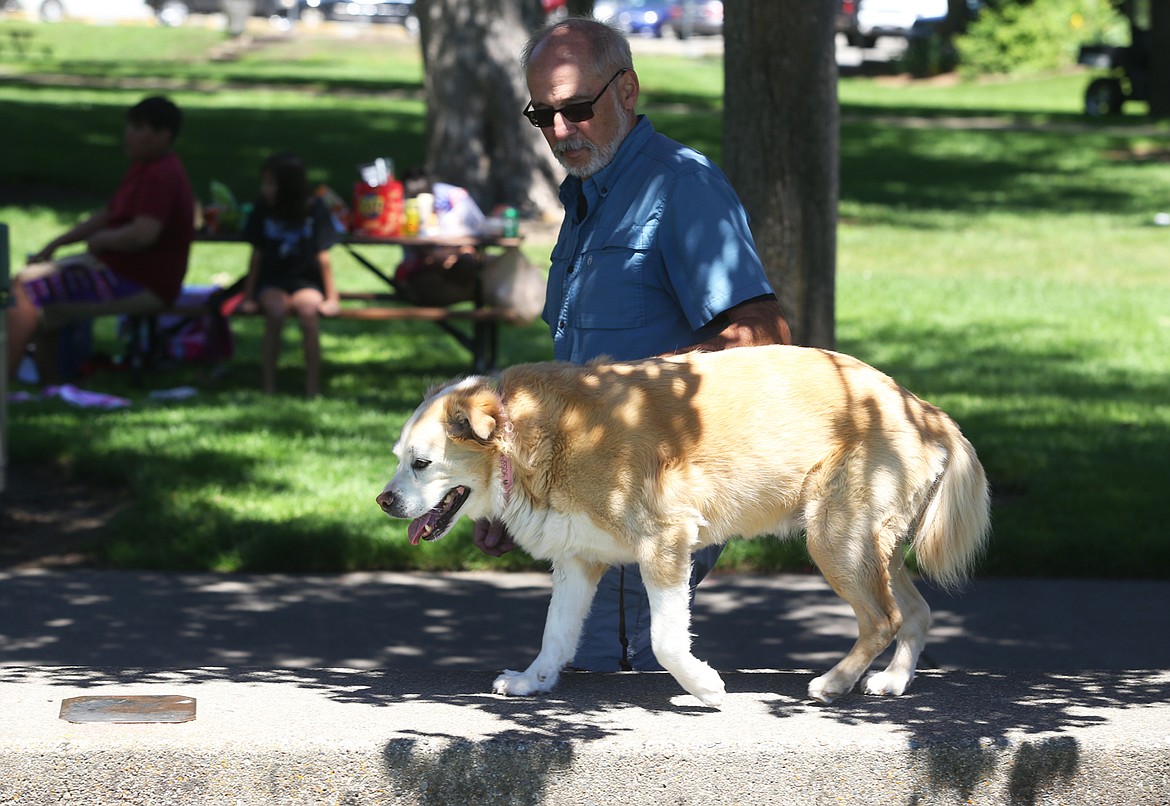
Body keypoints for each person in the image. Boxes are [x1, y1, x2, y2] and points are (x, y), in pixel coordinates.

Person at [473, 17, 793, 672]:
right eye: (544, 115)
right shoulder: (590, 193)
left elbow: (764, 339)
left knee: (609, 693)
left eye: (577, 108)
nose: (561, 131)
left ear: (627, 91)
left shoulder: (682, 187)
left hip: (647, 493)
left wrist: (630, 400)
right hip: (589, 493)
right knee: (596, 683)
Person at [6, 95, 195, 385]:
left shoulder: (162, 175)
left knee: (24, 287)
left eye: (138, 127)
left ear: (163, 135)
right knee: (41, 295)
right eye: (130, 126)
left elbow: (144, 234)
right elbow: (109, 214)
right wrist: (55, 245)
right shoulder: (144, 167)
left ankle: (5, 381)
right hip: (119, 271)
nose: (128, 134)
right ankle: (50, 386)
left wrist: (103, 240)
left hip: (141, 281)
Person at [238, 152, 342, 398]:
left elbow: (323, 258)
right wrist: (249, 297)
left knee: (308, 313)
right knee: (274, 312)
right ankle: (269, 386)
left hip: (306, 282)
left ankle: (312, 388)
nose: (265, 189)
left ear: (288, 186)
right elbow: (257, 255)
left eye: (271, 183)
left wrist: (332, 298)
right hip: (272, 282)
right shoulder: (262, 208)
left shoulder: (314, 209)